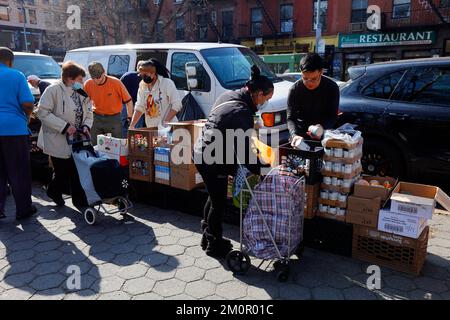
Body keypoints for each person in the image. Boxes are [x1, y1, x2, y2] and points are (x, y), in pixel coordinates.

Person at [193, 65, 274, 258]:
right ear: (259, 94)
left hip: (201, 152)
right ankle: (214, 243)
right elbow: (245, 152)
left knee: (213, 197)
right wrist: (262, 168)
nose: (265, 103)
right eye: (266, 99)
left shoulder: (229, 96)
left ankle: (207, 234)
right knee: (218, 202)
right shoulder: (240, 111)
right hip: (212, 158)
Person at [37, 61, 93, 209]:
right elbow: (42, 113)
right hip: (57, 138)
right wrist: (65, 126)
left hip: (77, 139)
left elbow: (89, 111)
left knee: (77, 171)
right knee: (62, 172)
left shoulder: (81, 93)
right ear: (70, 79)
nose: (83, 82)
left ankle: (79, 201)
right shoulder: (53, 90)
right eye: (80, 79)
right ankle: (54, 191)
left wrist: (87, 126)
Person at [0, 47, 37, 220]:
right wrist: (27, 117)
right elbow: (28, 103)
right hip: (14, 129)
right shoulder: (16, 76)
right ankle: (23, 209)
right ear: (10, 61)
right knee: (19, 171)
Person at [287, 53, 340, 147]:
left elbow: (333, 116)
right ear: (301, 72)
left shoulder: (332, 87)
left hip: (324, 134)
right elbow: (291, 118)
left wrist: (323, 127)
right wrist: (294, 135)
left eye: (314, 79)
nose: (309, 83)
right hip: (301, 135)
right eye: (305, 78)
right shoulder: (295, 90)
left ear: (321, 72)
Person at [84, 62, 133, 145]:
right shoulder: (88, 84)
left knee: (117, 144)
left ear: (104, 73)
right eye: (93, 78)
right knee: (93, 144)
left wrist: (129, 117)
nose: (96, 80)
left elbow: (128, 101)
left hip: (114, 118)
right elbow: (84, 103)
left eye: (98, 77)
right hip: (96, 117)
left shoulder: (116, 82)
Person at [129, 59, 182, 130]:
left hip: (169, 129)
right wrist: (132, 125)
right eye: (142, 75)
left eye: (146, 75)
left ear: (153, 73)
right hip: (152, 129)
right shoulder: (142, 86)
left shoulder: (167, 83)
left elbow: (177, 104)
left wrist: (166, 122)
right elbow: (139, 106)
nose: (143, 78)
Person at [120, 60, 145, 137]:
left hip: (124, 105)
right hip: (138, 106)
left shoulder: (126, 75)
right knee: (136, 128)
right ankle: (133, 145)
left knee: (122, 126)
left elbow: (119, 89)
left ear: (137, 67)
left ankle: (123, 142)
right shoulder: (145, 77)